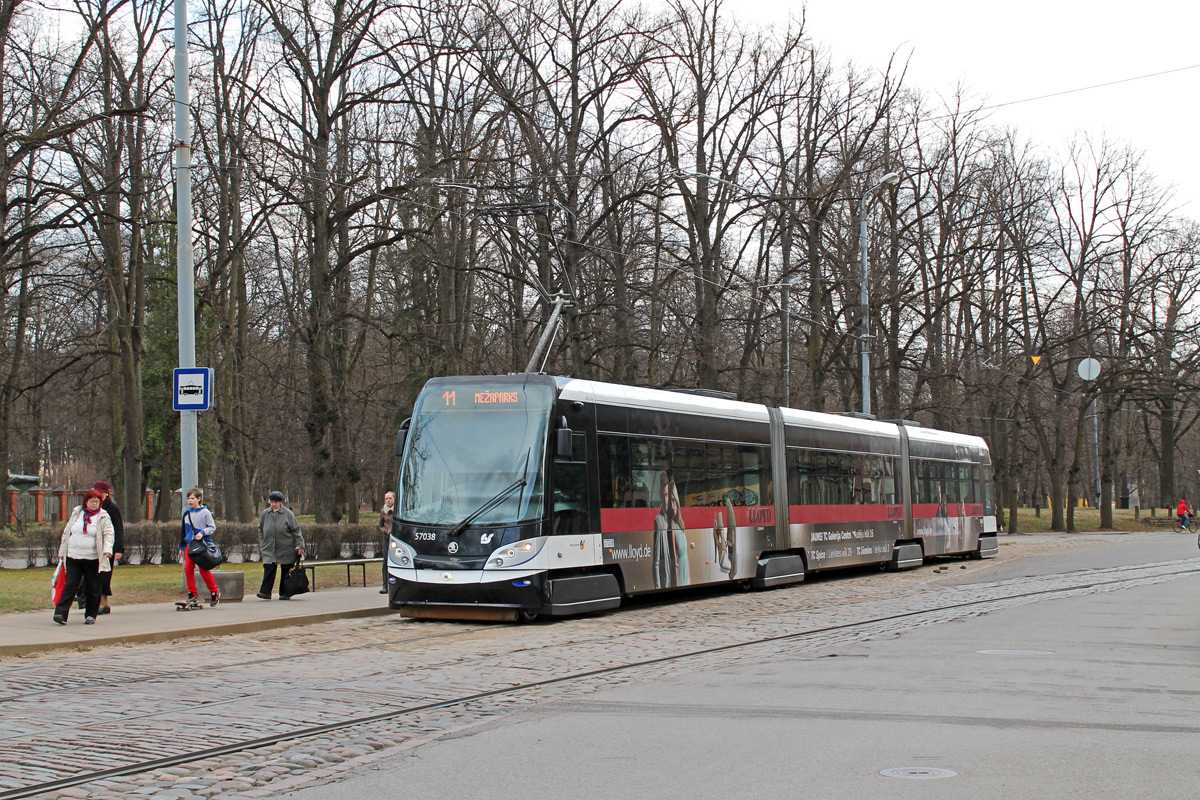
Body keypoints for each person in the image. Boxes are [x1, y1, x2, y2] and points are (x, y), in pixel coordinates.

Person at [53, 489, 115, 625]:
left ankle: (91, 614)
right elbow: (67, 532)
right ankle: (60, 613)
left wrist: (107, 550)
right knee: (70, 585)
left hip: (93, 558)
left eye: (97, 501)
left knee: (93, 587)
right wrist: (62, 552)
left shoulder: (103, 516)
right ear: (86, 502)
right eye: (91, 501)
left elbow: (109, 534)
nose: (94, 504)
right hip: (73, 557)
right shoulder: (77, 512)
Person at [257, 490, 304, 599]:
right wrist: (262, 542)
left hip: (286, 546)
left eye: (275, 502)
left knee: (286, 569)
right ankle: (265, 592)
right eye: (271, 502)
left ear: (280, 503)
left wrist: (300, 545)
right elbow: (260, 529)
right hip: (269, 547)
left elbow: (296, 530)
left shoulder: (288, 514)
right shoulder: (265, 514)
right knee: (269, 568)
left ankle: (284, 593)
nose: (273, 504)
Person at [179, 488, 220, 607]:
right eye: (188, 498)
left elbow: (212, 527)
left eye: (192, 498)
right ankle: (192, 594)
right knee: (187, 568)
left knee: (203, 570)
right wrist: (181, 547)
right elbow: (183, 531)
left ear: (199, 499)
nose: (190, 501)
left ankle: (214, 591)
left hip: (202, 545)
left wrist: (202, 532)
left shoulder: (205, 512)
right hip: (190, 545)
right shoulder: (187, 514)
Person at [93, 480, 123, 614]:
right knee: (96, 575)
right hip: (96, 547)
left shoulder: (112, 508)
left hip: (108, 548)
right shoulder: (94, 507)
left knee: (104, 576)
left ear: (106, 494)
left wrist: (118, 549)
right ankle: (102, 603)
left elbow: (118, 529)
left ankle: (103, 603)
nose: (98, 495)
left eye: (101, 492)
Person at [378, 491, 395, 594]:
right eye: (386, 499)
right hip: (387, 538)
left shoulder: (398, 511)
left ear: (394, 499)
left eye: (390, 498)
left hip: (396, 538)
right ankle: (385, 585)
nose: (388, 500)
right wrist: (385, 531)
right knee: (385, 561)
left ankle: (395, 584)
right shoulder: (383, 511)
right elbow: (380, 525)